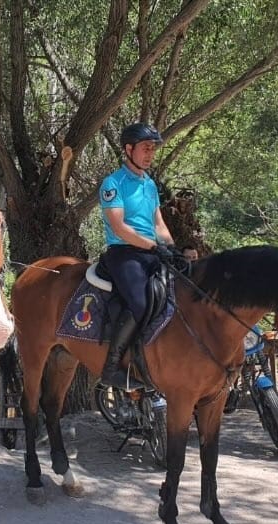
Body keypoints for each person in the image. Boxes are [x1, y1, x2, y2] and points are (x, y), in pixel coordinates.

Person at [97, 122, 177, 390]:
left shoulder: (150, 185)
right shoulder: (113, 183)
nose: (150, 154)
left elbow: (159, 225)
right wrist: (152, 246)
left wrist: (173, 248)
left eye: (152, 149)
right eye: (145, 148)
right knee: (141, 303)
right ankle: (111, 367)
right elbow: (120, 226)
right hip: (124, 253)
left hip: (152, 251)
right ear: (128, 149)